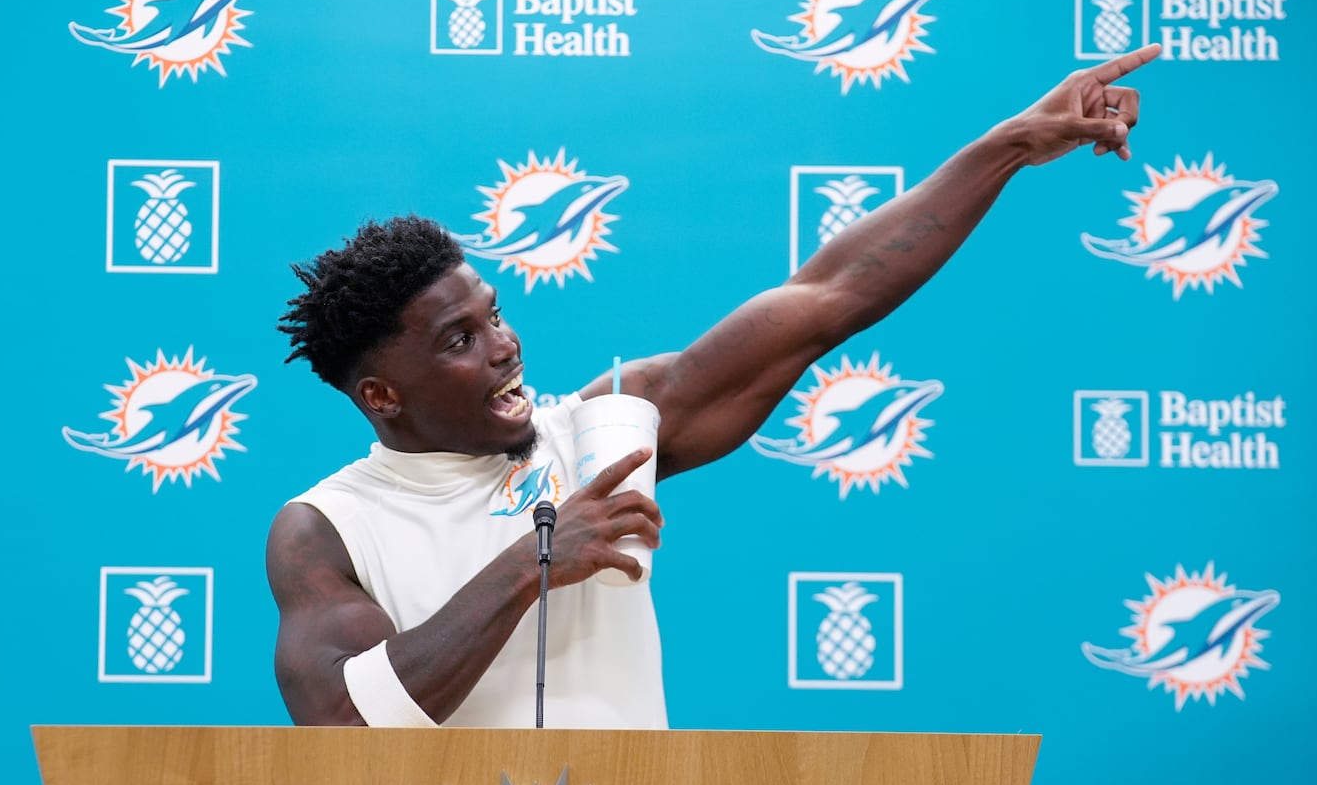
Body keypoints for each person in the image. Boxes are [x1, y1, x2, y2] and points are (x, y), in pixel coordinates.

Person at [268, 45, 1161, 729]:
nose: (505, 346)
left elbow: (826, 297)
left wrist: (1006, 147)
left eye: (495, 314)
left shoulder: (593, 435)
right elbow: (345, 720)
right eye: (461, 339)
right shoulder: (325, 525)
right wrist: (533, 561)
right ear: (382, 395)